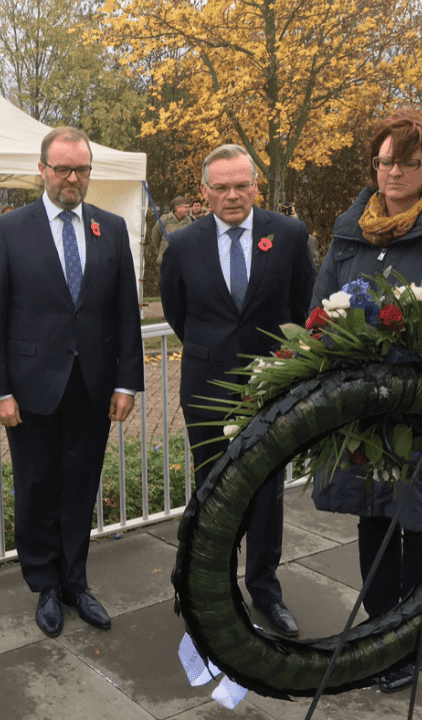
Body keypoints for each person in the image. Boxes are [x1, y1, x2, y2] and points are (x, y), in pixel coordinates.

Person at [310, 108, 422, 693]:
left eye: (408, 163)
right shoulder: (353, 228)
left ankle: (409, 639)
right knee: (373, 514)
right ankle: (378, 626)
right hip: (365, 408)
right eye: (385, 161)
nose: (393, 172)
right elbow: (320, 307)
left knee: (419, 519)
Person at [0, 126, 144, 637]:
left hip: (93, 386)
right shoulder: (9, 230)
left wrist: (127, 382)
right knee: (35, 487)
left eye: (81, 169)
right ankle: (45, 585)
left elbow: (126, 313)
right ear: (42, 170)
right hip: (30, 390)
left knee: (80, 486)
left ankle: (76, 582)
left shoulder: (111, 228)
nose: (72, 178)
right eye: (63, 169)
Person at [160, 143, 314, 640]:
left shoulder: (289, 235)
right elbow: (178, 313)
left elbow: (303, 306)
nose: (232, 195)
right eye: (222, 187)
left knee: (267, 489)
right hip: (206, 385)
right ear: (204, 192)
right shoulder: (182, 245)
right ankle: (215, 588)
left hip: (271, 384)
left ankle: (265, 590)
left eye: (242, 185)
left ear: (256, 186)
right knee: (212, 489)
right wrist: (213, 349)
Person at [149, 195, 192, 272]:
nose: (188, 209)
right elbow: (155, 236)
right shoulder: (165, 219)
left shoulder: (188, 221)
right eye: (186, 207)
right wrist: (161, 250)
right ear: (178, 208)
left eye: (189, 207)